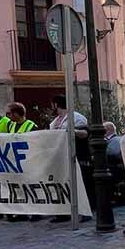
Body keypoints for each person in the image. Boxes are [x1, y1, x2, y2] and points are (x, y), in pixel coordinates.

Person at [44, 94, 91, 223]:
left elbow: (85, 133)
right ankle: (63, 213)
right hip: (60, 157)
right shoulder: (55, 121)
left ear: (56, 104)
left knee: (79, 184)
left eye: (52, 104)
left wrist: (71, 131)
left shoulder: (76, 117)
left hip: (76, 155)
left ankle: (83, 212)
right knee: (62, 184)